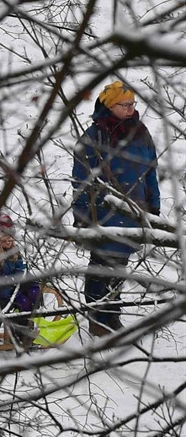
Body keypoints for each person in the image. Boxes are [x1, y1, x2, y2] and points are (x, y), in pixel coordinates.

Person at [72, 81, 161, 336]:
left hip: (134, 210)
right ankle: (97, 317)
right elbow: (81, 179)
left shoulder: (141, 133)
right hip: (103, 212)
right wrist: (81, 215)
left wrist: (153, 204)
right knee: (100, 265)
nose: (130, 109)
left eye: (132, 104)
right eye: (124, 104)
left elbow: (150, 172)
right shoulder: (94, 136)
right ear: (110, 106)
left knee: (120, 265)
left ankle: (112, 313)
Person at [0, 213, 42, 351]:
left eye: (11, 238)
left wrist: (29, 283)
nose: (9, 242)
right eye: (5, 239)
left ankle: (24, 336)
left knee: (29, 298)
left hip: (9, 288)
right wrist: (9, 285)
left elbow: (21, 269)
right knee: (0, 305)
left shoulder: (13, 251)